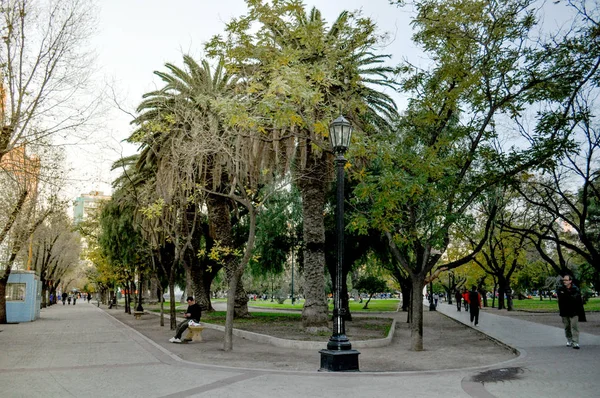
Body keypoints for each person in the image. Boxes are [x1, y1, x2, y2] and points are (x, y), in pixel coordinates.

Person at [557, 275, 583, 349]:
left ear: (570, 281)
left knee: (574, 326)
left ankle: (575, 342)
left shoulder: (575, 289)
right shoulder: (560, 289)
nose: (564, 281)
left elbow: (576, 299)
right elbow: (561, 299)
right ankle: (569, 339)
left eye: (566, 280)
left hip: (574, 311)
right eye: (563, 280)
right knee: (567, 326)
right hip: (565, 311)